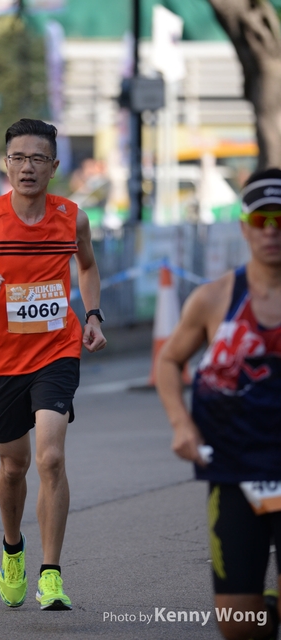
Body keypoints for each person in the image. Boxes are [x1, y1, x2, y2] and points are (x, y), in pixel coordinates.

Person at [0, 119, 106, 611]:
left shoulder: (73, 218)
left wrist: (92, 315)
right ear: (6, 164)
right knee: (13, 466)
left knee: (50, 457)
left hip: (57, 351)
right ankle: (12, 548)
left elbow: (88, 266)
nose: (27, 167)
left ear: (54, 166)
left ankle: (50, 575)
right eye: (18, 157)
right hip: (0, 361)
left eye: (37, 158)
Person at [156, 167, 281, 640]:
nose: (272, 232)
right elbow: (169, 362)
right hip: (235, 471)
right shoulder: (214, 299)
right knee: (238, 624)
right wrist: (181, 424)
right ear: (245, 227)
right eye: (262, 220)